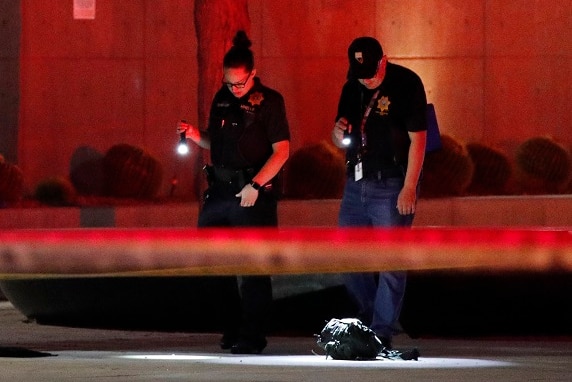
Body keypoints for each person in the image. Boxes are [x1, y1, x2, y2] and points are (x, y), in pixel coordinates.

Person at [177, 31, 290, 354]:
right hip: (221, 191)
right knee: (214, 265)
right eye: (229, 83)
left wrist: (255, 185)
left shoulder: (270, 102)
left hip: (253, 193)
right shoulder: (222, 98)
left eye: (240, 83)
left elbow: (281, 151)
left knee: (253, 269)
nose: (234, 89)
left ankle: (252, 336)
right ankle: (230, 329)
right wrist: (195, 134)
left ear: (253, 75)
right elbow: (217, 142)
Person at [331, 36, 427, 349]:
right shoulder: (352, 87)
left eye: (372, 72)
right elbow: (340, 133)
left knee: (391, 261)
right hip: (355, 182)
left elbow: (419, 140)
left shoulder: (407, 83)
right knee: (347, 256)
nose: (367, 78)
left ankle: (382, 331)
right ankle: (373, 318)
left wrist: (410, 186)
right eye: (361, 73)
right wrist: (335, 133)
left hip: (391, 183)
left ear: (384, 61)